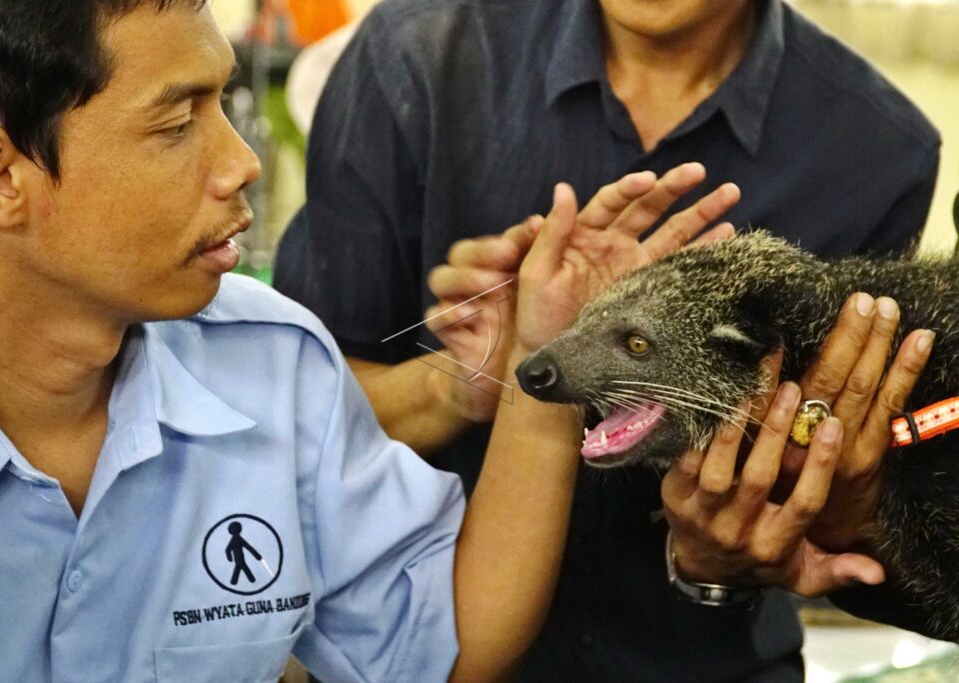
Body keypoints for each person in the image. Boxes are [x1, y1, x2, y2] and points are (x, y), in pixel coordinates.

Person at [0, 3, 761, 681]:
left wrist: (546, 357)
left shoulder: (272, 361)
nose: (241, 163)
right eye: (178, 123)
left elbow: (443, 640)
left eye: (224, 106)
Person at [273, 0, 942, 679]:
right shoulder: (418, 58)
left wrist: (736, 553)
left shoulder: (881, 150)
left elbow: (864, 482)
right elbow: (281, 427)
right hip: (407, 655)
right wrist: (461, 380)